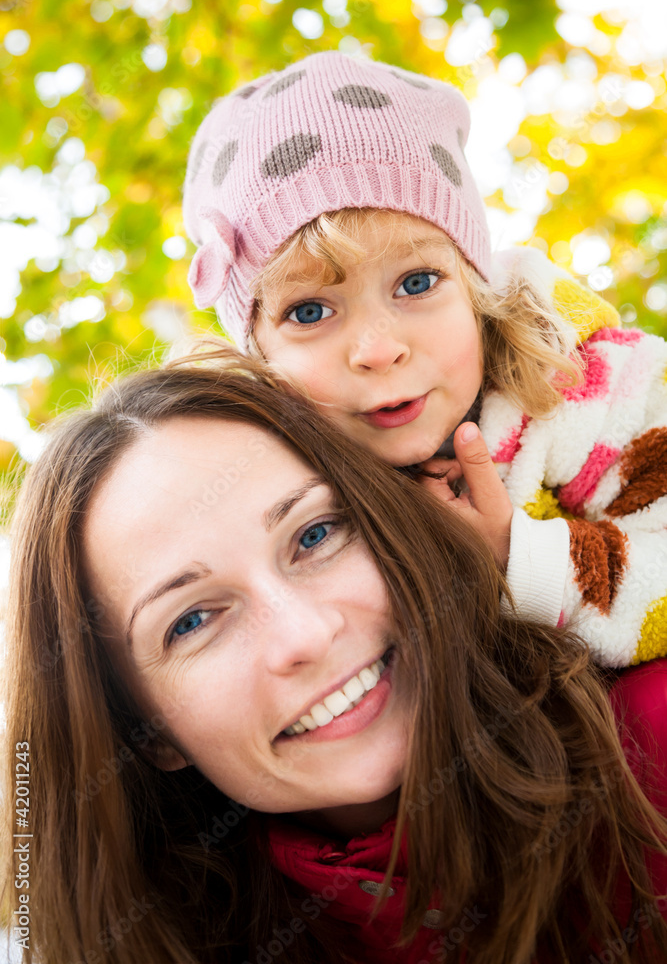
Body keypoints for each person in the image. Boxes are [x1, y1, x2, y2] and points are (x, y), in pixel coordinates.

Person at [2, 344, 667, 964]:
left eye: (315, 534)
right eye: (192, 620)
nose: (305, 635)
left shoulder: (650, 744)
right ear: (145, 731)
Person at [182, 50, 667, 669]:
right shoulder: (272, 482)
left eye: (415, 284)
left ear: (475, 286)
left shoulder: (576, 376)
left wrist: (515, 557)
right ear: (261, 359)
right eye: (310, 312)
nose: (380, 349)